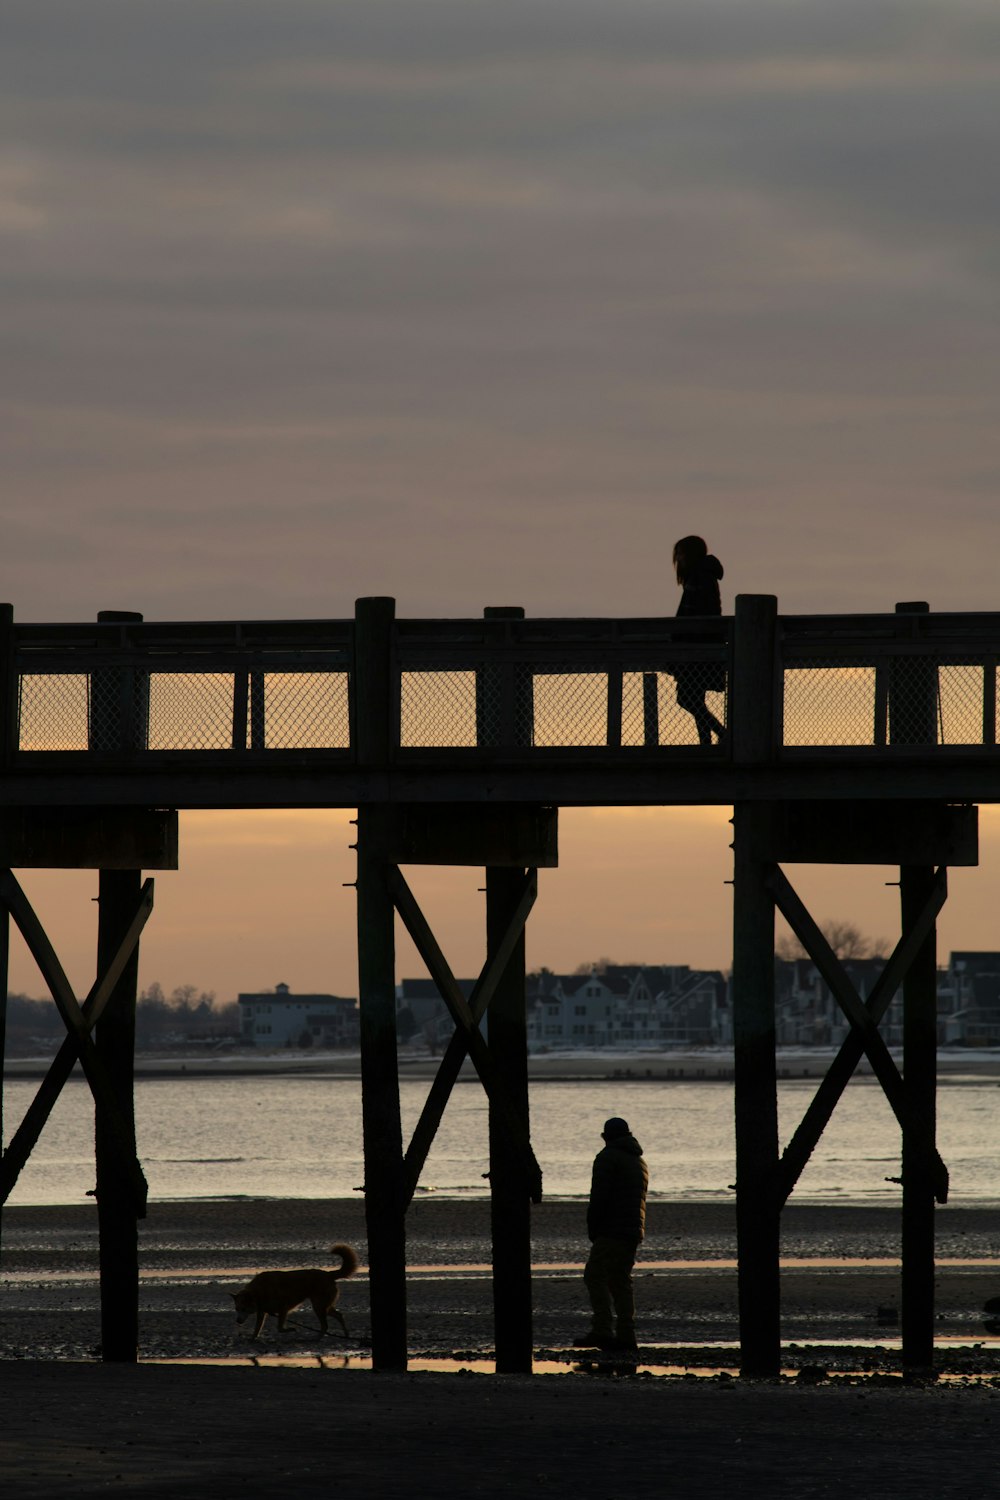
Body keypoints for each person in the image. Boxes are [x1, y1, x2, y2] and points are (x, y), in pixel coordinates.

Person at [574, 1116, 649, 1353]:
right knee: (620, 1280)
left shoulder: (607, 1158)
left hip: (612, 1229)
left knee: (594, 1275)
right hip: (633, 1228)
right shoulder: (639, 1161)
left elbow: (600, 1197)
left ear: (606, 1137)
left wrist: (593, 1227)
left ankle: (602, 1329)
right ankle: (626, 1334)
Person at [673, 533, 726, 746]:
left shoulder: (699, 577)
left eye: (681, 554)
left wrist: (678, 641)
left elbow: (691, 615)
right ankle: (706, 741)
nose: (678, 559)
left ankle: (721, 734)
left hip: (696, 648)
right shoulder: (704, 575)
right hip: (703, 646)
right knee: (694, 698)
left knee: (687, 698)